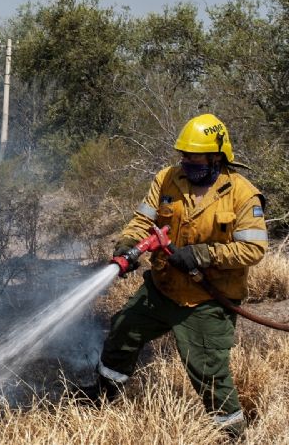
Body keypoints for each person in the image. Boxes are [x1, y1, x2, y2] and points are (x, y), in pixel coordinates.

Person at [84, 114, 269, 435]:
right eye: (183, 155)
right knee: (122, 331)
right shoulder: (167, 178)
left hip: (207, 299)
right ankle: (102, 396)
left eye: (194, 156)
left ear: (217, 156)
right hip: (162, 287)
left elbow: (253, 250)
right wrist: (127, 244)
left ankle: (233, 435)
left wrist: (203, 254)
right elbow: (143, 221)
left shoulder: (242, 194)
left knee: (208, 371)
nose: (186, 162)